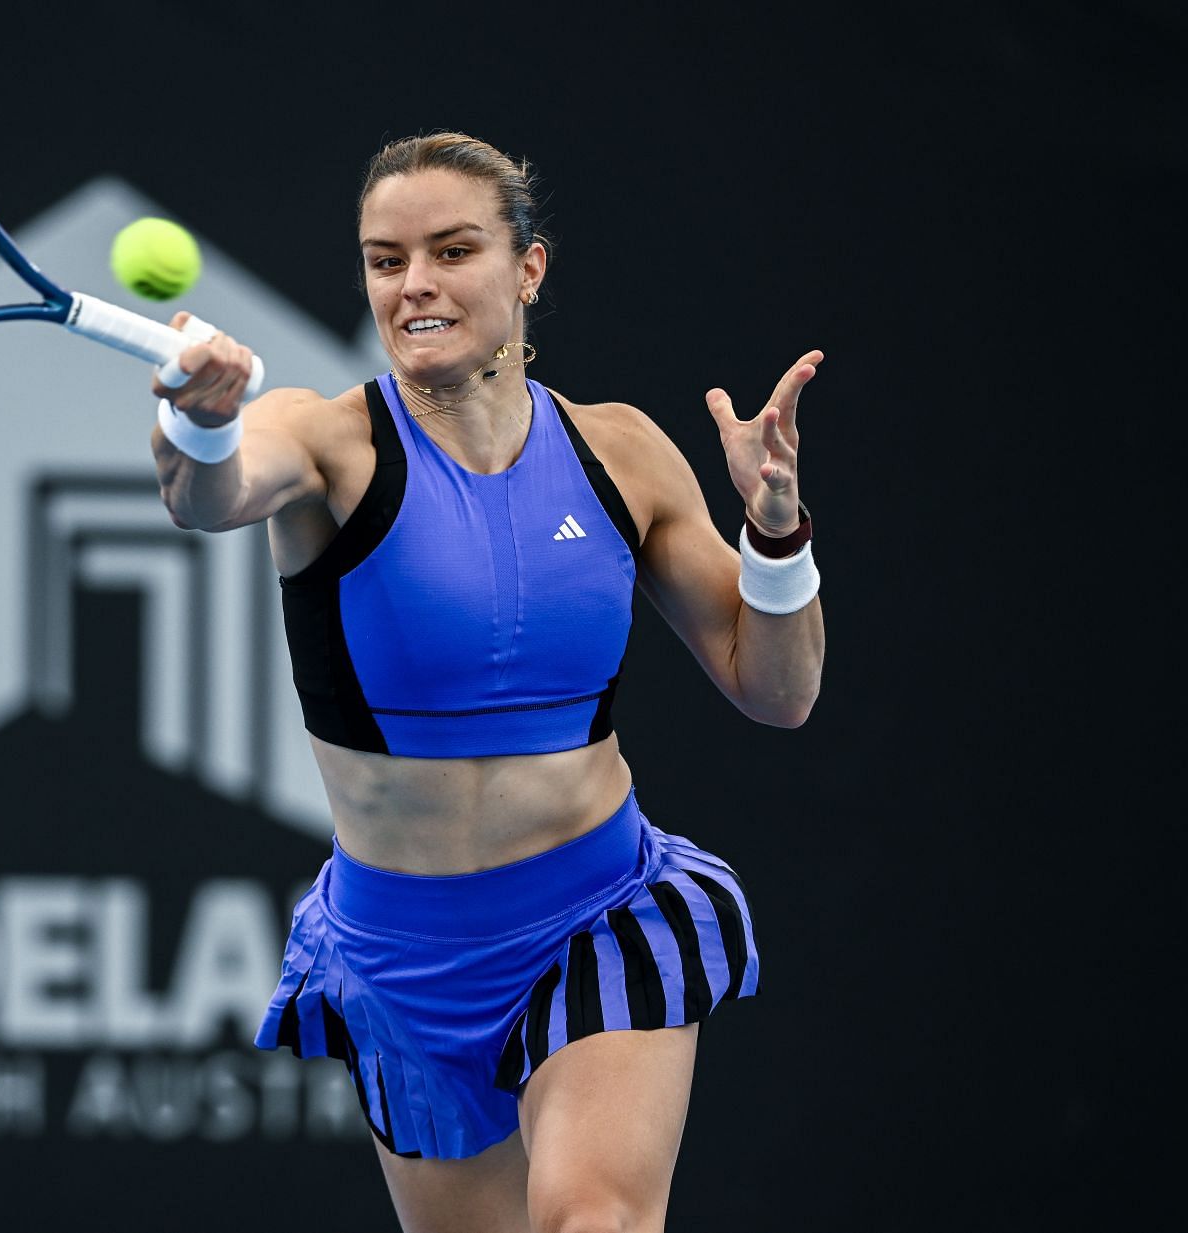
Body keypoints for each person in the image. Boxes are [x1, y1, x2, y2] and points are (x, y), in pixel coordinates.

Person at [147, 133, 824, 1233]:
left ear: (528, 270)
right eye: (385, 259)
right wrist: (199, 418)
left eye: (452, 250)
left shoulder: (623, 452)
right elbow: (205, 496)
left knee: (589, 1221)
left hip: (598, 910)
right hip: (401, 954)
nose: (414, 283)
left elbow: (776, 689)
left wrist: (776, 534)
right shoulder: (326, 440)